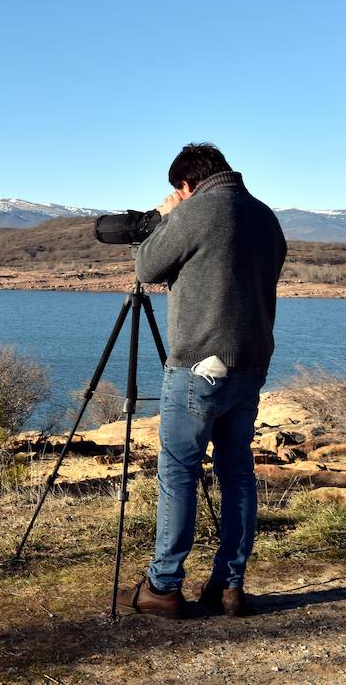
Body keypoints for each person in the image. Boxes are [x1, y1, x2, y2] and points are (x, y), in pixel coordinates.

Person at [116, 143, 286, 619]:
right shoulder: (266, 216)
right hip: (251, 363)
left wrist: (168, 219)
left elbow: (147, 268)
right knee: (237, 473)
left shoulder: (196, 211)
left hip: (198, 365)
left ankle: (164, 586)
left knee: (178, 474)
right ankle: (229, 586)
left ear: (186, 185)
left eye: (178, 191)